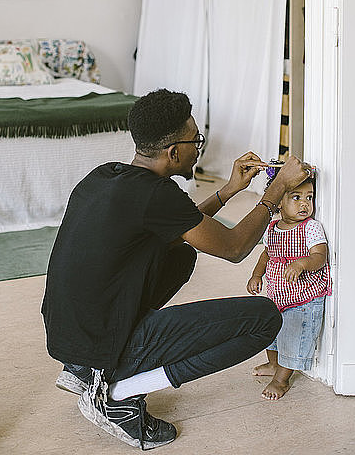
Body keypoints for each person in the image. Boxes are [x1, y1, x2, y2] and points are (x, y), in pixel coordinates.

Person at [41, 88, 311, 450]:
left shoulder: (106, 176)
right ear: (174, 152)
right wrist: (275, 191)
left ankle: (83, 368)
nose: (199, 147)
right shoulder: (157, 195)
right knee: (264, 319)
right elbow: (234, 249)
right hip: (100, 336)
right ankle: (117, 396)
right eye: (196, 141)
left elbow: (182, 230)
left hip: (69, 334)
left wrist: (230, 190)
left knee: (181, 256)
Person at [246, 171, 332, 401]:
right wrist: (256, 275)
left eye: (309, 197)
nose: (305, 203)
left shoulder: (311, 228)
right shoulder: (272, 228)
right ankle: (274, 364)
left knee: (293, 338)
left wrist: (302, 263)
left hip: (303, 298)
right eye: (296, 197)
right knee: (272, 334)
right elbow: (266, 255)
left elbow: (319, 256)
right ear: (279, 203)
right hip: (278, 296)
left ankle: (281, 380)